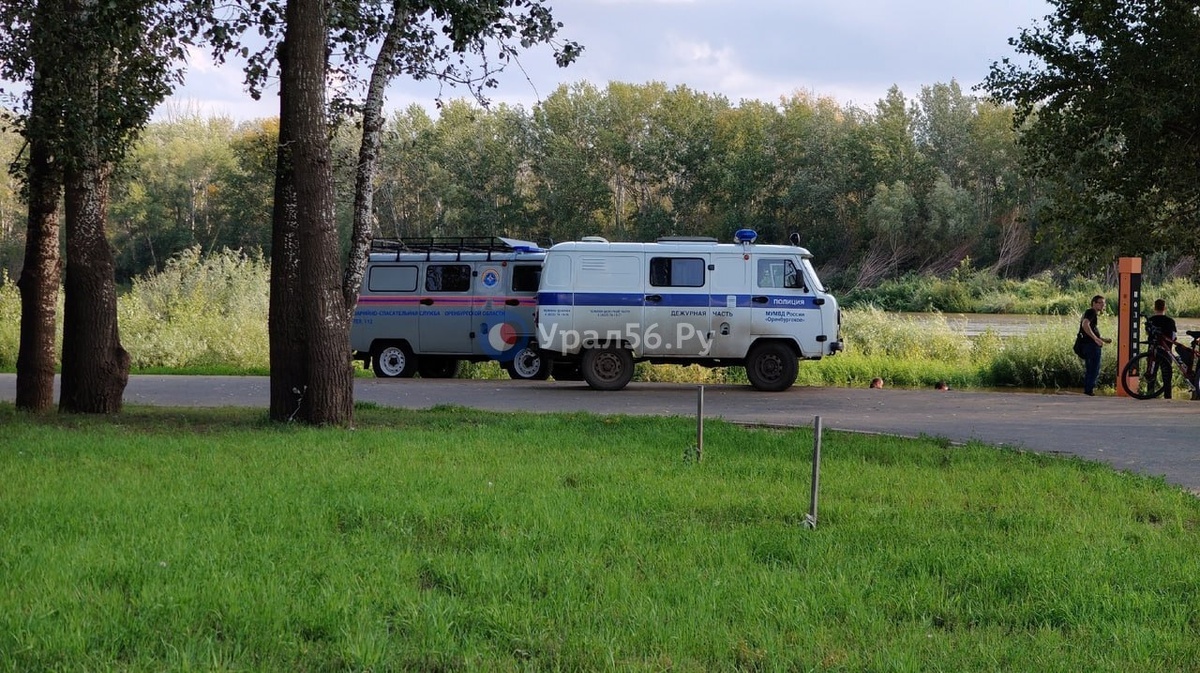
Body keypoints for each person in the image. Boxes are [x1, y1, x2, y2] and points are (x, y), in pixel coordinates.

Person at [1079, 295, 1112, 396]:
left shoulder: (1089, 312)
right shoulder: (1092, 312)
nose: (1103, 305)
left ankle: (1088, 390)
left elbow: (1089, 330)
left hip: (1088, 344)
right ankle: (1089, 391)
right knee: (1094, 368)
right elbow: (1085, 325)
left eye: (1104, 303)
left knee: (1090, 368)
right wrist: (1096, 339)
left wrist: (1102, 339)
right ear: (1094, 303)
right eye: (1100, 303)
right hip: (1091, 346)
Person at [1147, 298, 1178, 399]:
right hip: (1166, 351)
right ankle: (1167, 396)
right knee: (1167, 374)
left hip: (1153, 350)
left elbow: (1148, 333)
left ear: (1154, 308)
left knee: (1151, 373)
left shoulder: (1150, 320)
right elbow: (1174, 337)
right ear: (1165, 308)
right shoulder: (1170, 321)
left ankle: (1150, 393)